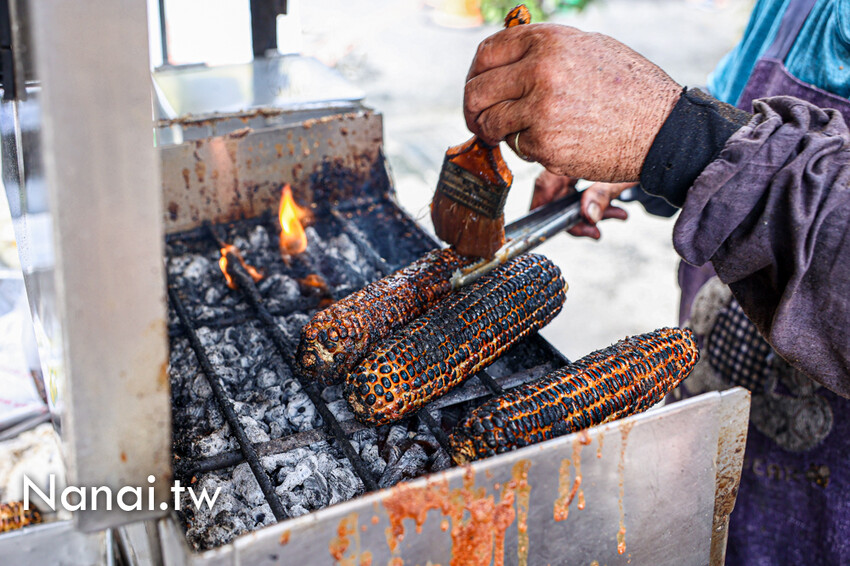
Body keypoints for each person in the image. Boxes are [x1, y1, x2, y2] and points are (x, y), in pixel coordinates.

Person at [461, 0, 850, 564]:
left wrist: (676, 136)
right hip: (706, 443)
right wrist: (635, 163)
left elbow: (702, 140)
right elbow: (737, 119)